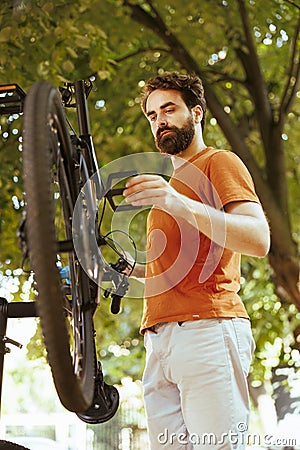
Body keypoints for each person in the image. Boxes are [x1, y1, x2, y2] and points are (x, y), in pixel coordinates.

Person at [123, 72, 270, 449]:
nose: (160, 121)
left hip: (209, 328)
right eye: (153, 116)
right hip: (159, 340)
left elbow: (258, 238)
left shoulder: (218, 162)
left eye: (169, 109)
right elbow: (173, 271)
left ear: (197, 113)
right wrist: (129, 270)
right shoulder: (170, 188)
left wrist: (177, 204)